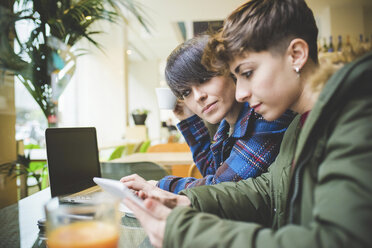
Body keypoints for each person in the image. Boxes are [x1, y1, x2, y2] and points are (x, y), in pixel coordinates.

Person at [123, 0, 372, 247]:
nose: (240, 93)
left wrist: (186, 231)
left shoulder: (356, 112)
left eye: (247, 73)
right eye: (236, 76)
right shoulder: (299, 127)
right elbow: (266, 192)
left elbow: (337, 241)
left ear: (296, 55)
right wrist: (188, 201)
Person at [123, 35, 294, 194]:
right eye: (186, 92)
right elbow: (212, 171)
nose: (198, 97)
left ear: (230, 71)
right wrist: (188, 119)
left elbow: (220, 186)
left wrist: (158, 186)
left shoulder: (264, 115)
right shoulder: (225, 127)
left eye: (204, 79)